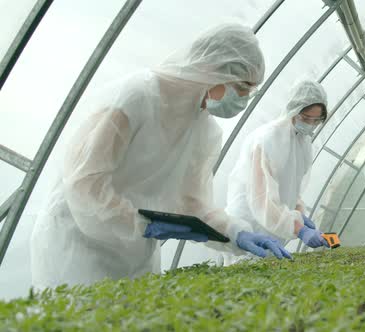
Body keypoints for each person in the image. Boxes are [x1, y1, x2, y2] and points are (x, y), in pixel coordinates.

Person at [30, 24, 291, 289]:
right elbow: (84, 183)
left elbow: (192, 205)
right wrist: (140, 224)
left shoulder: (204, 130)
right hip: (77, 242)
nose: (244, 99)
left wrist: (237, 233)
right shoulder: (137, 96)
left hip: (133, 250)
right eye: (243, 88)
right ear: (215, 70)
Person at [226, 80, 329, 250]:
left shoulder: (302, 142)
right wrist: (299, 229)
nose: (310, 124)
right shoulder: (268, 140)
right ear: (293, 110)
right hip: (249, 228)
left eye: (316, 120)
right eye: (306, 118)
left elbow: (291, 190)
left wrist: (300, 216)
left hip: (273, 227)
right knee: (245, 271)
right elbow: (262, 199)